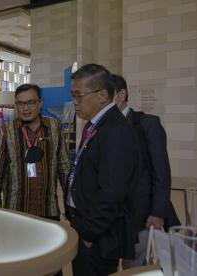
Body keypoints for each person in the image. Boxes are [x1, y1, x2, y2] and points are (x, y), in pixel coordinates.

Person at [66, 64, 139, 275]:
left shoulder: (115, 129)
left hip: (97, 236)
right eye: (73, 96)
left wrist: (89, 234)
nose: (75, 102)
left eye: (79, 96)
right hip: (84, 223)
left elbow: (112, 190)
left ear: (103, 95)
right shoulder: (98, 125)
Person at [112, 74, 180, 268]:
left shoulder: (147, 124)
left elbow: (161, 172)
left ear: (122, 95)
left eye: (107, 95)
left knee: (136, 265)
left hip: (144, 215)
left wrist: (158, 212)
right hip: (116, 215)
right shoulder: (105, 127)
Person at [0, 84, 70, 221]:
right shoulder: (6, 130)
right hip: (15, 212)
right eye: (20, 104)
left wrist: (69, 203)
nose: (25, 108)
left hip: (48, 210)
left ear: (40, 102)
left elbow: (64, 167)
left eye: (31, 103)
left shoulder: (54, 127)